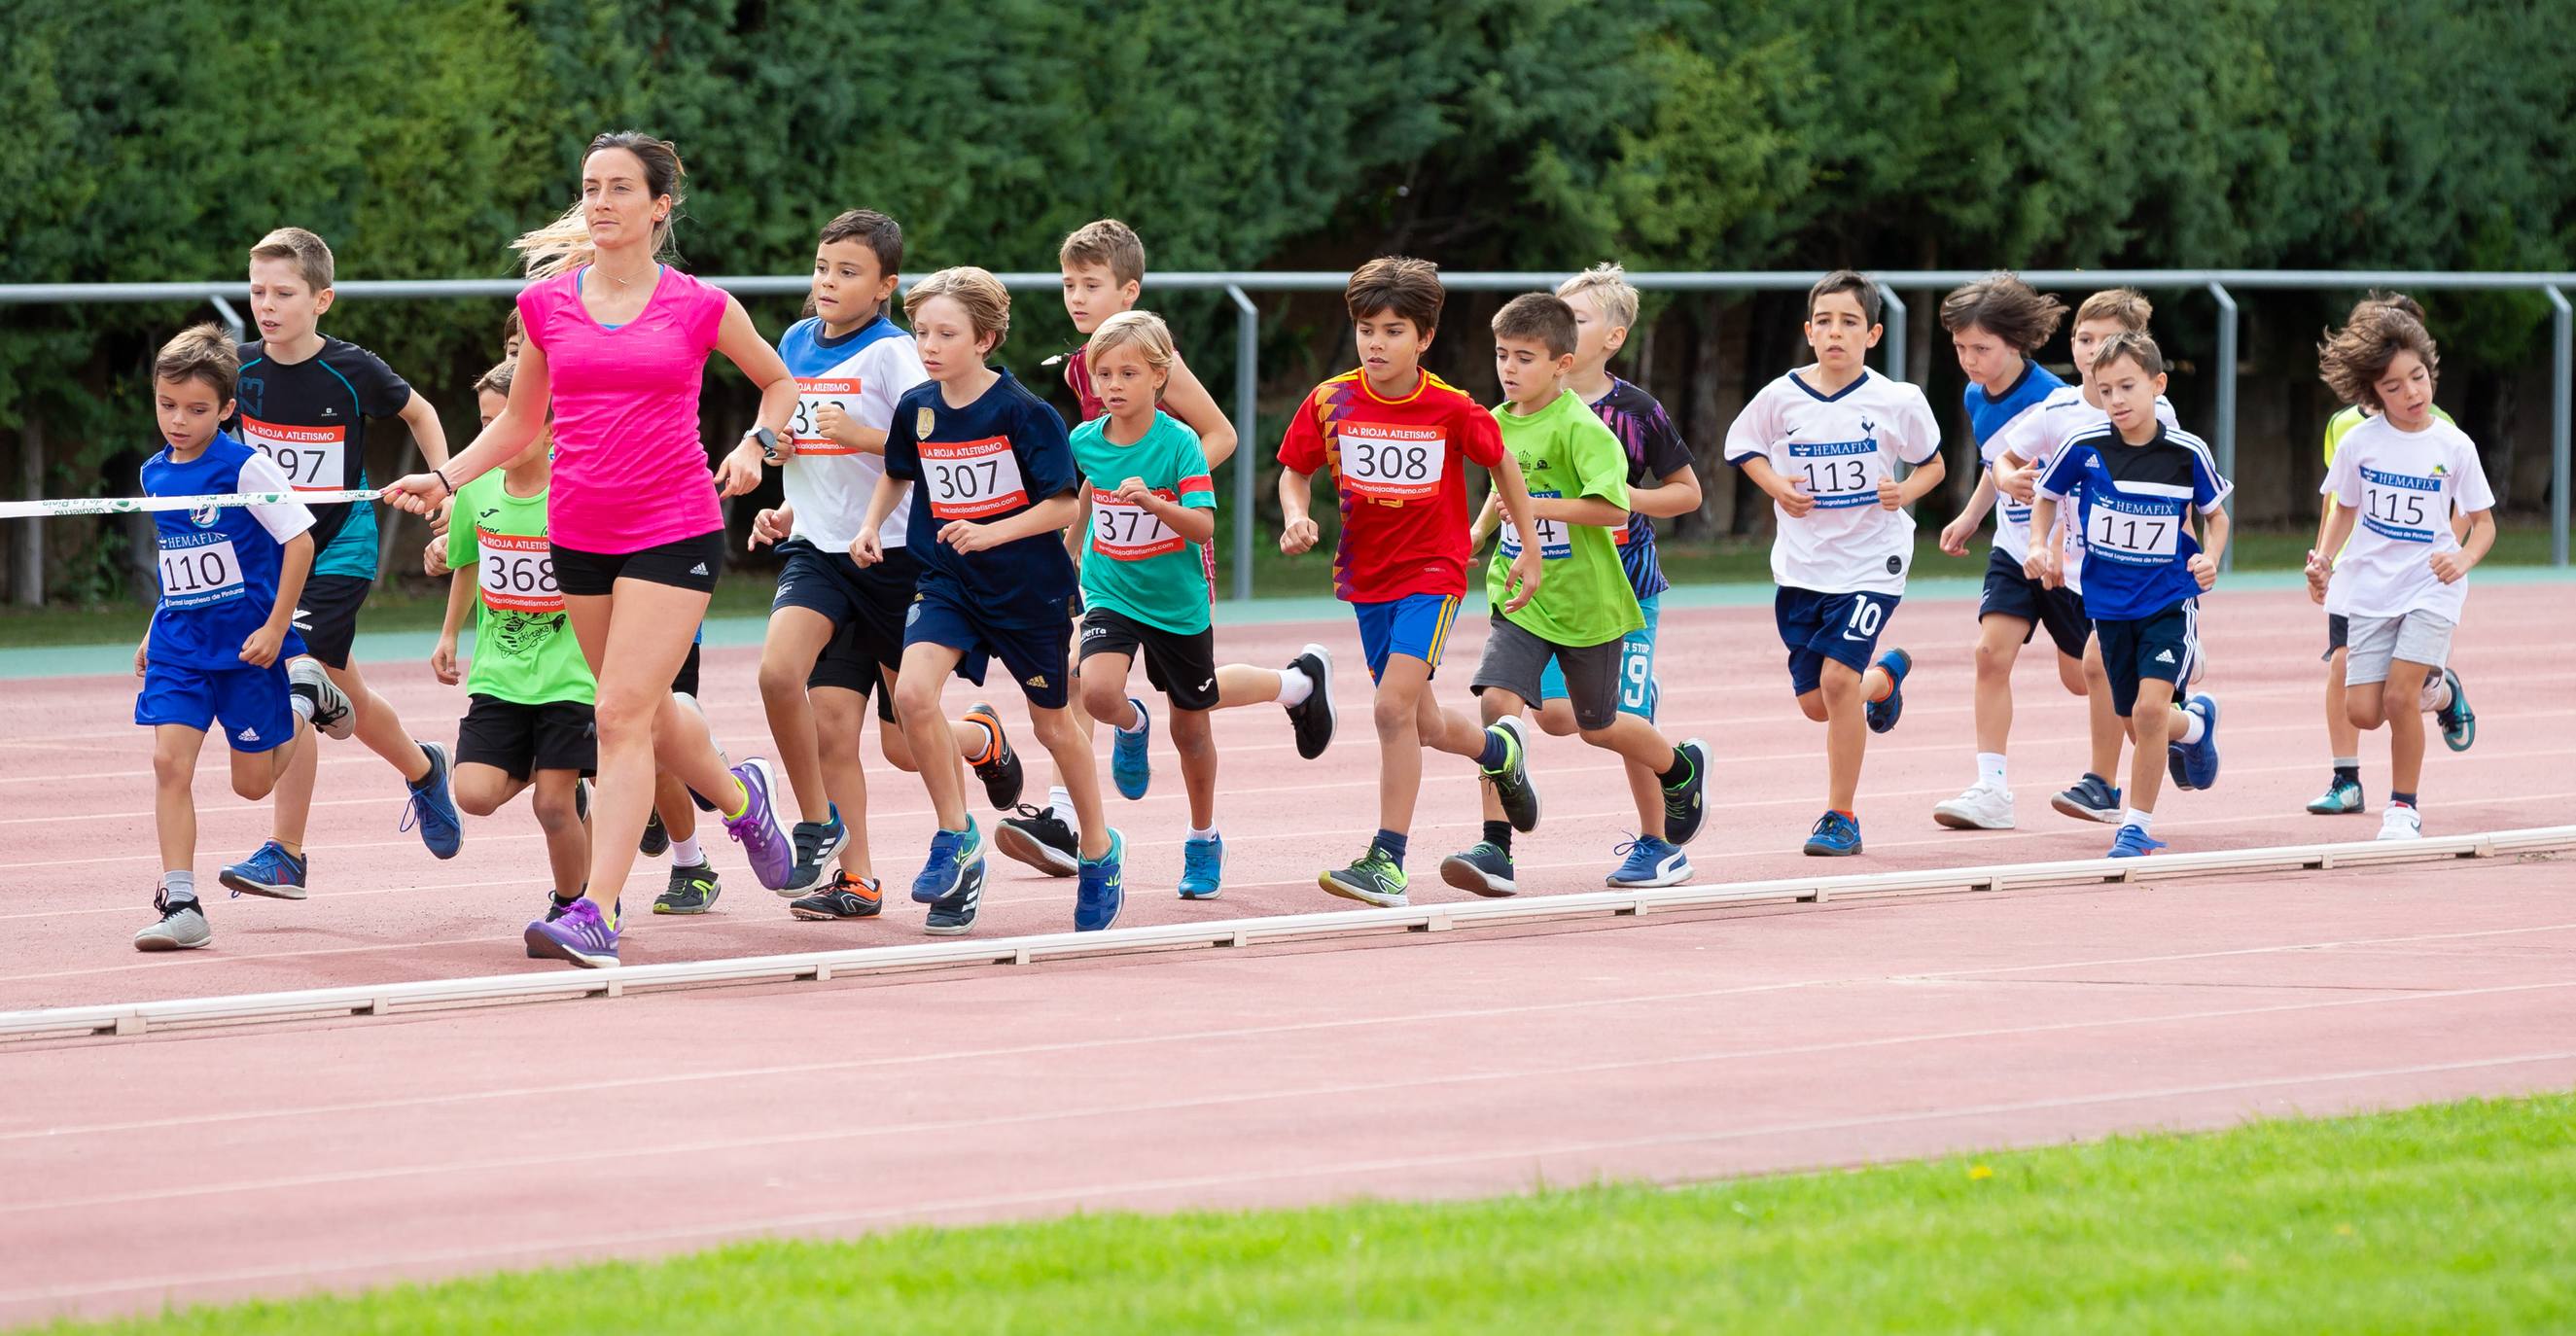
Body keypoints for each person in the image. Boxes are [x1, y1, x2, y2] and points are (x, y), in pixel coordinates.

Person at [383, 130, 794, 968]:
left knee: (614, 717)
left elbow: (779, 381)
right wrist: (449, 479)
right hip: (579, 531)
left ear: (658, 207)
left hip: (674, 524)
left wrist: (757, 444)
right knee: (635, 709)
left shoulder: (700, 305)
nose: (600, 203)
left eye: (618, 189)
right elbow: (519, 422)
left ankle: (597, 912)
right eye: (590, 188)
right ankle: (737, 792)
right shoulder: (547, 307)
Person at [716, 209, 1023, 919]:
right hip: (819, 552)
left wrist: (857, 434)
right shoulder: (793, 342)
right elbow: (794, 434)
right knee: (789, 686)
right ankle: (847, 864)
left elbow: (933, 445)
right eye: (822, 267)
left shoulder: (894, 353)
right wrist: (786, 492)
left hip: (893, 559)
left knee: (907, 745)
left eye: (847, 272)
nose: (827, 282)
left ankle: (976, 751)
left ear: (885, 285)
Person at [854, 265, 1123, 933]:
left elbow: (1062, 505)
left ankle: (1097, 850)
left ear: (986, 338)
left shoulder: (1024, 414)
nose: (930, 344)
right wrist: (868, 526)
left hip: (1025, 590)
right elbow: (897, 474)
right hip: (947, 580)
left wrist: (990, 531)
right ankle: (955, 835)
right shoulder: (916, 406)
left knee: (1054, 728)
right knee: (913, 695)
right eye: (922, 332)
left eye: (947, 333)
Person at [1277, 256, 1547, 908]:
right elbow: (1294, 470)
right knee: (1421, 723)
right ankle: (1496, 751)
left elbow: (1502, 466)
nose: (1376, 343)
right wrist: (1295, 516)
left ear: (1423, 337)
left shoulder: (1452, 409)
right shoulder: (1329, 400)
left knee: (1390, 708)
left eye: (1394, 330)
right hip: (1366, 578)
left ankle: (1387, 862)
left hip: (1434, 572)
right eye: (1367, 328)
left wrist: (1529, 550)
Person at [217, 227, 463, 901]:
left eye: (284, 293)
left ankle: (286, 853)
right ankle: (422, 768)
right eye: (257, 291)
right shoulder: (236, 369)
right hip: (270, 554)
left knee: (295, 673)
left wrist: (443, 481)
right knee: (339, 687)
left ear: (321, 299)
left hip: (340, 547)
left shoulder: (351, 370)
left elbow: (421, 412)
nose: (267, 305)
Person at [1000, 219, 1249, 875]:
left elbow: (1217, 433)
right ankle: (1067, 812)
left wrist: (1173, 487)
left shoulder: (1153, 364)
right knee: (1084, 674)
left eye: (1091, 285)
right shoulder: (1089, 371)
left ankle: (1295, 686)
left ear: (1128, 293)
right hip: (1112, 560)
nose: (1076, 299)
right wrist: (1076, 533)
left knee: (1193, 708)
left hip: (1175, 547)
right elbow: (1094, 472)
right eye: (1067, 285)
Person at [1442, 294, 1710, 896]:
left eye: (1523, 357)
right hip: (1521, 592)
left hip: (1595, 599)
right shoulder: (1498, 418)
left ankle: (1678, 769)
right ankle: (1495, 847)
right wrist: (1478, 534)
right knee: (1497, 702)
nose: (1508, 368)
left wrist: (1534, 506)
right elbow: (1500, 484)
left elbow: (1614, 505)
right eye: (1501, 355)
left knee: (1597, 724)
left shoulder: (1598, 427)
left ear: (1564, 359)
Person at [1070, 310, 1336, 900]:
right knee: (1096, 692)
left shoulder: (1180, 443)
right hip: (1111, 590)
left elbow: (1201, 526)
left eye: (1128, 374)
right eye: (1103, 374)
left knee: (1192, 728)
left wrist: (1155, 505)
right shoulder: (1084, 439)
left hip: (1175, 604)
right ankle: (1132, 724)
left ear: (1160, 377)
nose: (1113, 386)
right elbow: (1089, 491)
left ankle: (1202, 836)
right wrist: (1069, 552)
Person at [131, 325, 352, 951]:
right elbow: (175, 557)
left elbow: (300, 542)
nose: (179, 420)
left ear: (227, 410)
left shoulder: (245, 467)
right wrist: (153, 627)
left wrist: (278, 628)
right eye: (167, 405)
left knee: (251, 785)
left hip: (246, 647)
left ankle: (306, 698)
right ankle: (182, 904)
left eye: (197, 410)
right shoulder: (153, 474)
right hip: (180, 646)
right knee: (168, 763)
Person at [1721, 270, 1945, 857]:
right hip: (1802, 568)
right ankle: (1885, 679)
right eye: (1825, 321)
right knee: (1819, 704)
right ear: (1809, 331)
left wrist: (1907, 490)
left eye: (1849, 322)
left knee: (1836, 680)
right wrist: (1776, 486)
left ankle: (1840, 816)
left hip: (1875, 562)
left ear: (1872, 333)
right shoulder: (1780, 396)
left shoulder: (1897, 399)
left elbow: (1933, 466)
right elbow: (1742, 447)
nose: (1835, 332)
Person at [2027, 333, 2227, 859]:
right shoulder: (2085, 447)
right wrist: (2037, 544)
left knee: (2149, 710)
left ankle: (2135, 826)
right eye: (2106, 388)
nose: (2116, 400)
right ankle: (2198, 726)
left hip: (2168, 599)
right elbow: (2045, 498)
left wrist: (2210, 557)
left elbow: (2217, 517)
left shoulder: (2187, 452)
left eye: (2128, 387)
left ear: (2157, 386)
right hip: (2107, 607)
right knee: (2133, 716)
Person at [1983, 288, 2179, 824]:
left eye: (2106, 340)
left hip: (2146, 578)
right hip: (2079, 572)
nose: (2092, 352)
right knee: (2118, 696)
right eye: (2083, 339)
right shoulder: (2059, 410)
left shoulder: (2160, 417)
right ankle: (2193, 729)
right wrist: (2013, 486)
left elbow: (2186, 494)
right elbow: (2007, 462)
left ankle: (2105, 784)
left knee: (2099, 672)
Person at [2306, 305, 2490, 839]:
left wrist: (2462, 558)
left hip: (2431, 586)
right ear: (2372, 395)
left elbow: (2485, 524)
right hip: (2369, 587)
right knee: (2363, 711)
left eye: (2418, 377)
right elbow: (2343, 508)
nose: (2412, 392)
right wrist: (2322, 560)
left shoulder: (2454, 445)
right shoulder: (2357, 442)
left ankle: (2403, 808)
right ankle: (2443, 691)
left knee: (2397, 698)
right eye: (2394, 386)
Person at [427, 359, 592, 919]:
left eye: (507, 422)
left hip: (570, 674)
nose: (493, 435)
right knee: (473, 795)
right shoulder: (475, 489)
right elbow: (468, 563)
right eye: (485, 424)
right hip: (500, 672)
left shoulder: (577, 492)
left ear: (549, 428)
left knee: (553, 805)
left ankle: (574, 905)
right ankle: (553, 769)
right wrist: (449, 633)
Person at [1927, 273, 2069, 830]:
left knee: (2086, 678)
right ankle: (1992, 790)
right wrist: (1970, 515)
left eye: (1981, 348)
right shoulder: (1972, 394)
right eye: (1960, 348)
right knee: (1989, 655)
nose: (1969, 360)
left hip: (2062, 551)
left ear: (2016, 342)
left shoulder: (2055, 402)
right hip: (2013, 550)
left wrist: (2053, 543)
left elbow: (2077, 483)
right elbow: (1996, 461)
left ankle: (2183, 719)